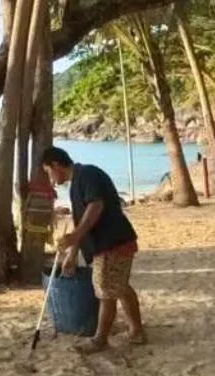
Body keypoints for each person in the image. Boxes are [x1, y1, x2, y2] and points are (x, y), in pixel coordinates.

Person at [40, 145, 146, 354]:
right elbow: (80, 220)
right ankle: (137, 331)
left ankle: (100, 339)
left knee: (106, 290)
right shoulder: (76, 184)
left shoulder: (88, 174)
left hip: (112, 242)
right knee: (119, 286)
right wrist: (72, 253)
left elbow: (96, 206)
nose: (50, 179)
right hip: (113, 242)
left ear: (56, 165)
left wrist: (74, 236)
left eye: (48, 172)